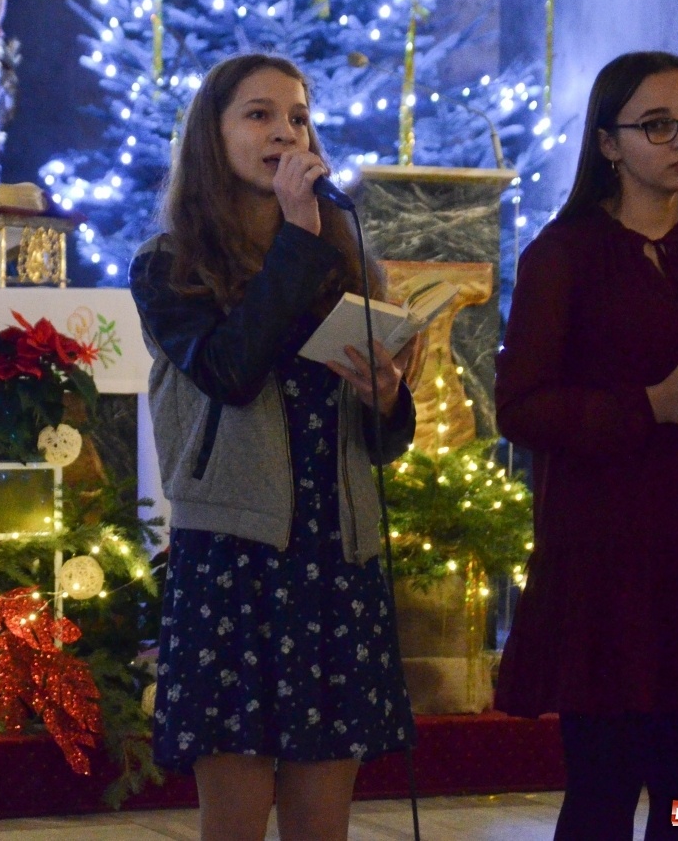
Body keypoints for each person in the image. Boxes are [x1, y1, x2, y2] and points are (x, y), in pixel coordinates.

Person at [493, 51, 678, 839]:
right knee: (602, 795)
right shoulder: (562, 256)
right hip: (611, 565)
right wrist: (650, 407)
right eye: (658, 124)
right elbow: (521, 409)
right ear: (608, 144)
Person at [130, 53, 416, 841]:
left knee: (323, 822)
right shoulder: (169, 266)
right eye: (259, 115)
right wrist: (298, 237)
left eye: (297, 117)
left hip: (336, 556)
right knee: (235, 820)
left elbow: (382, 443)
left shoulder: (346, 261)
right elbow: (230, 371)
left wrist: (387, 399)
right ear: (212, 136)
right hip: (235, 558)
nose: (285, 133)